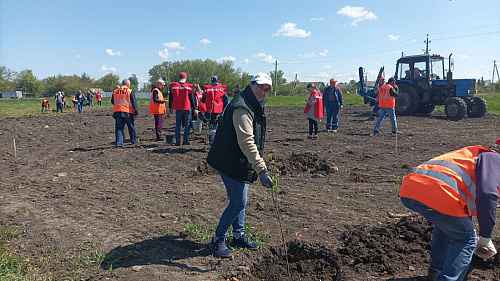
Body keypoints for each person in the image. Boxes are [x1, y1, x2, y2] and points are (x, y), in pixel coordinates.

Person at [400, 141, 500, 281]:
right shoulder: (494, 159)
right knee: (466, 238)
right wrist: (485, 238)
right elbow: (488, 194)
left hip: (411, 187)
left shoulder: (473, 157)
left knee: (448, 226)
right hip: (438, 190)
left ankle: (436, 272)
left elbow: (467, 200)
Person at [206, 72, 274, 258]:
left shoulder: (252, 102)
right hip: (228, 160)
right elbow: (246, 141)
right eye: (260, 86)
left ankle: (238, 235)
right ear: (251, 84)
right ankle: (217, 240)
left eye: (266, 89)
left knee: (240, 198)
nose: (262, 91)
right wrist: (261, 169)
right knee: (238, 202)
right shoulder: (242, 107)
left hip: (239, 160)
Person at [169, 72, 198, 146]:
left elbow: (171, 97)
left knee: (178, 124)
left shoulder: (174, 86)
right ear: (186, 77)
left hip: (178, 107)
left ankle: (177, 141)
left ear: (179, 77)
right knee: (187, 124)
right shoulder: (188, 86)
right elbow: (192, 98)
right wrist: (194, 108)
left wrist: (170, 107)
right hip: (187, 107)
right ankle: (185, 140)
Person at [112, 79, 139, 148]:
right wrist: (136, 112)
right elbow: (134, 102)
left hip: (118, 112)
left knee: (119, 129)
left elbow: (113, 101)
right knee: (131, 127)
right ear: (128, 85)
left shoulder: (115, 91)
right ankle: (134, 140)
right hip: (128, 112)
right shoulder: (130, 91)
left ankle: (119, 143)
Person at [202, 75, 229, 145]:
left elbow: (203, 100)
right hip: (220, 111)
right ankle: (221, 144)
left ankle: (212, 144)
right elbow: (226, 100)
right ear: (218, 81)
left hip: (210, 111)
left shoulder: (207, 89)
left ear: (211, 81)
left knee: (212, 128)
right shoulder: (222, 89)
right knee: (221, 128)